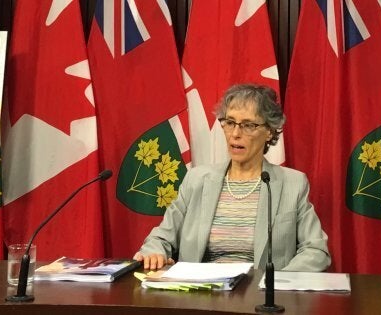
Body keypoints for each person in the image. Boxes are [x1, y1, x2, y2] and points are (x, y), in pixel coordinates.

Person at [134, 84, 331, 272]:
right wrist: (154, 252)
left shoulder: (292, 183)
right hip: (201, 297)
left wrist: (277, 283)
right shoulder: (197, 179)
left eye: (248, 125)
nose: (235, 134)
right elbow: (161, 238)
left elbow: (316, 251)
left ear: (269, 131)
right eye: (230, 123)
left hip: (259, 299)